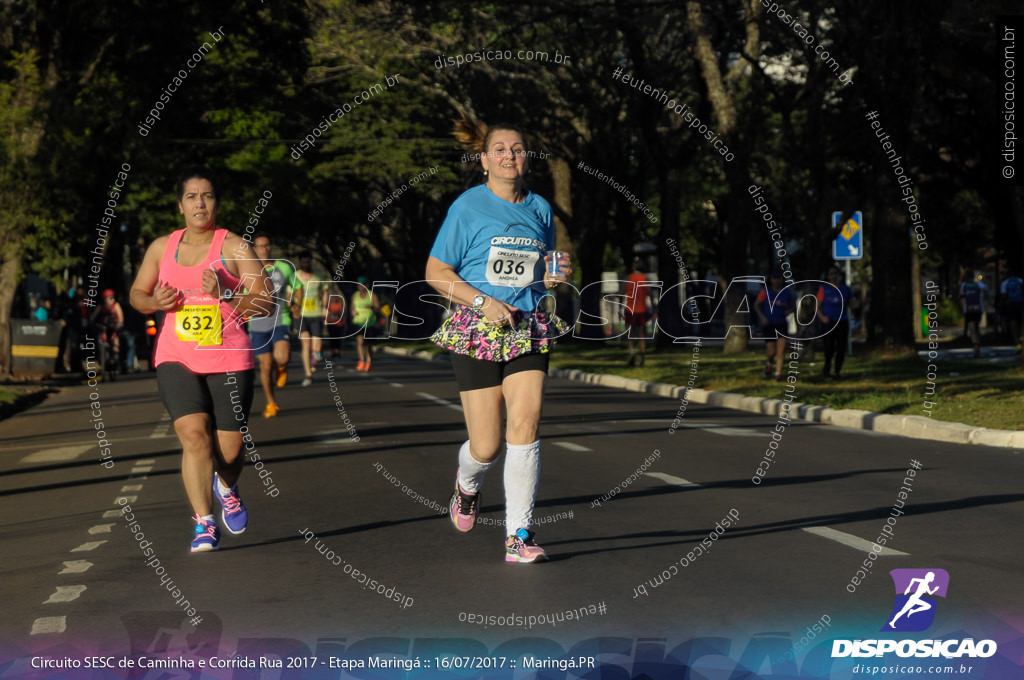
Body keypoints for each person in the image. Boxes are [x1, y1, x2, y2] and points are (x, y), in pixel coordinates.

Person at [426, 114, 572, 563]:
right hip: (478, 329)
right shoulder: (467, 207)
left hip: (527, 326)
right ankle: (467, 485)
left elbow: (541, 272)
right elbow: (436, 273)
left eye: (518, 149)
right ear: (485, 159)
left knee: (525, 424)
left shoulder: (541, 208)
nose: (510, 155)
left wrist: (553, 278)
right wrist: (481, 303)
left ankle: (518, 536)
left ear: (527, 157)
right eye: (501, 149)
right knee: (486, 445)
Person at [129, 168, 270, 553]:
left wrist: (226, 290)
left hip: (228, 357)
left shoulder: (235, 247)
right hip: (177, 357)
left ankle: (227, 487)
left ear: (216, 204)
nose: (199, 203)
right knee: (193, 438)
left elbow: (265, 301)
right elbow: (137, 294)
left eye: (206, 196)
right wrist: (153, 302)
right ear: (180, 205)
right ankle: (204, 523)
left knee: (229, 452)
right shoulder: (162, 247)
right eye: (191, 197)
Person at [250, 235, 293, 417]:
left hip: (280, 318)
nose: (264, 249)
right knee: (266, 366)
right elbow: (243, 294)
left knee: (282, 358)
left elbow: (296, 285)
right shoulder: (249, 270)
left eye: (267, 245)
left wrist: (294, 300)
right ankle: (270, 403)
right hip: (258, 324)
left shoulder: (283, 267)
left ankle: (281, 367)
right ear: (255, 248)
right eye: (260, 246)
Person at [291, 251, 328, 387]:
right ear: (300, 262)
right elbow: (290, 293)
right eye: (303, 261)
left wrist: (325, 307)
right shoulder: (295, 276)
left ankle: (317, 353)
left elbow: (325, 292)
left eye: (308, 261)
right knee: (305, 344)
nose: (306, 263)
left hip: (316, 314)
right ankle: (308, 374)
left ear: (311, 261)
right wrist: (292, 306)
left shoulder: (319, 275)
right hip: (301, 315)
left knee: (316, 345)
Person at [816, 265, 854, 379]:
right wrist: (822, 317)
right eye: (831, 274)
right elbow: (817, 306)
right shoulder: (824, 289)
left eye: (836, 274)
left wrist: (856, 303)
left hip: (842, 321)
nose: (834, 276)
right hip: (829, 322)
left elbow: (852, 304)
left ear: (839, 275)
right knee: (829, 347)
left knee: (841, 347)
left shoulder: (846, 289)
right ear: (828, 276)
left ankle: (837, 371)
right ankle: (827, 367)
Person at [755, 270, 793, 381]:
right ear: (771, 280)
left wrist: (789, 311)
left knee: (781, 351)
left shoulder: (787, 293)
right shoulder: (766, 292)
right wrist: (762, 317)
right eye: (774, 278)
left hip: (782, 323)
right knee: (772, 351)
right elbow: (756, 305)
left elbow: (792, 306)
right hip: (769, 324)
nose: (776, 280)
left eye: (779, 278)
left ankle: (778, 374)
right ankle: (769, 363)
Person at [623, 258, 655, 366]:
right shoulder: (645, 279)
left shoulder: (629, 278)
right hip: (642, 309)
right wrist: (654, 309)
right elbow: (650, 294)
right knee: (642, 334)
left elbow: (622, 292)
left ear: (634, 268)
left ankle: (632, 351)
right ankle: (642, 355)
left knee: (630, 333)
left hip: (630, 309)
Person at [351, 276, 380, 371]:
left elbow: (377, 307)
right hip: (358, 322)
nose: (360, 286)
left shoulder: (372, 295)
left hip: (370, 323)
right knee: (360, 341)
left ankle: (368, 361)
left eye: (362, 284)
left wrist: (371, 307)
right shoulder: (355, 295)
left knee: (369, 344)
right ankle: (362, 360)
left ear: (366, 285)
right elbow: (352, 307)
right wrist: (352, 312)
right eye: (359, 285)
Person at [92, 289, 125, 364]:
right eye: (110, 298)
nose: (112, 299)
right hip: (103, 329)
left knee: (116, 343)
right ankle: (101, 359)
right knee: (99, 341)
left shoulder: (116, 305)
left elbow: (120, 317)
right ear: (105, 299)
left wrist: (119, 324)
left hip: (113, 328)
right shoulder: (101, 306)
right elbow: (93, 317)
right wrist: (93, 323)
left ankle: (116, 361)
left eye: (113, 297)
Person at [959, 273, 989, 358]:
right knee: (976, 326)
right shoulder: (979, 284)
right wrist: (987, 299)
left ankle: (975, 344)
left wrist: (963, 308)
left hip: (968, 309)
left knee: (971, 327)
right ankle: (978, 343)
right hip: (978, 309)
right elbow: (987, 291)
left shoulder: (964, 285)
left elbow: (961, 296)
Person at [999, 270, 1023, 349]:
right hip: (1021, 303)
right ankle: (1021, 337)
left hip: (1011, 305)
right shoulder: (1020, 281)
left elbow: (1003, 296)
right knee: (1021, 322)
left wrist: (1002, 307)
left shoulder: (1005, 283)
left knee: (1013, 323)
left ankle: (1017, 343)